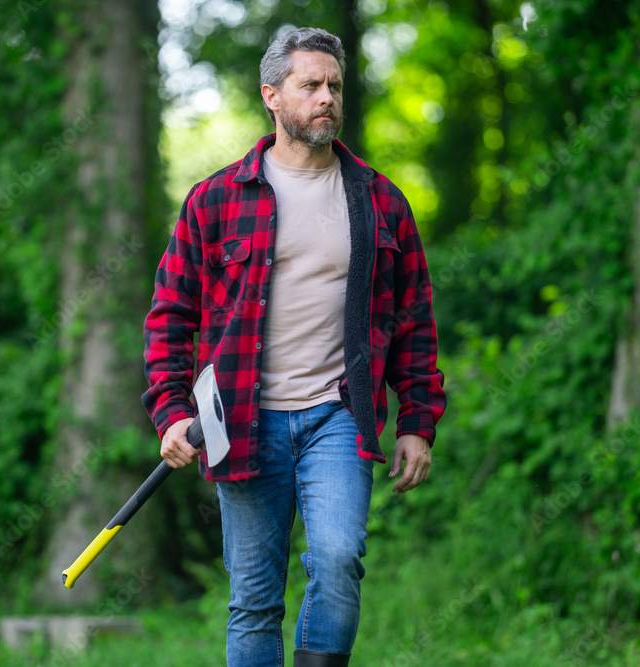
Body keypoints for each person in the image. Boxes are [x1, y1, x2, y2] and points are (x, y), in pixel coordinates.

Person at [142, 26, 446, 667]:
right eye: (310, 85)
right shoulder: (216, 200)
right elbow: (170, 316)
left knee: (337, 560)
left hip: (338, 415)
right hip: (240, 422)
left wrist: (417, 422)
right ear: (272, 96)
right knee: (254, 600)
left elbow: (415, 322)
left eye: (333, 85)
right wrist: (171, 412)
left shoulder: (380, 201)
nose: (326, 97)